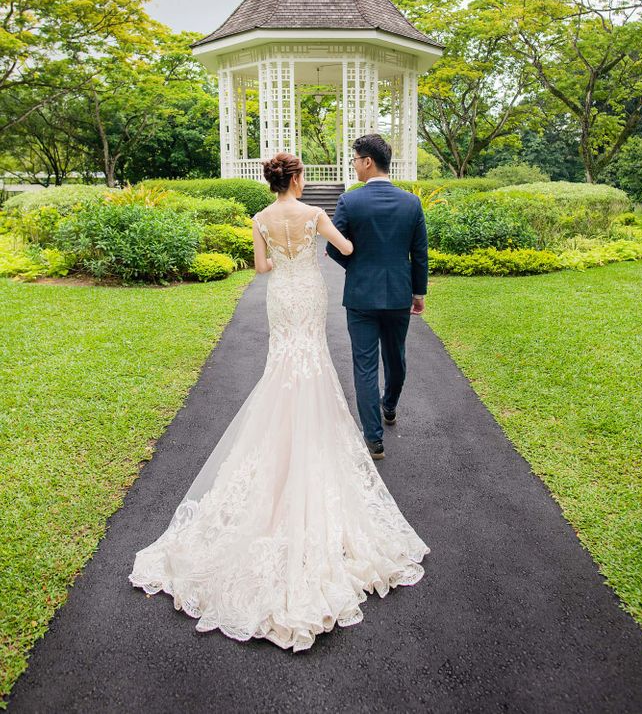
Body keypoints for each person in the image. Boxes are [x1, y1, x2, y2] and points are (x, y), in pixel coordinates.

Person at [128, 151, 429, 652]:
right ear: (297, 179)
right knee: (312, 362)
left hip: (282, 296)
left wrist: (288, 254)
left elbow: (263, 266)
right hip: (309, 294)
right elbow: (348, 246)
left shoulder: (260, 218)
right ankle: (316, 438)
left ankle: (278, 439)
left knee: (282, 366)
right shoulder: (314, 214)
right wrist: (329, 241)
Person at [326, 133, 428, 460]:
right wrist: (418, 292)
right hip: (399, 293)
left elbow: (333, 247)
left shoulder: (350, 202)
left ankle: (374, 439)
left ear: (368, 161)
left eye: (355, 160)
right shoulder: (411, 202)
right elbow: (419, 253)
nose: (353, 166)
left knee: (365, 365)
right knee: (396, 357)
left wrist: (356, 267)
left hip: (360, 296)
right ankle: (390, 406)